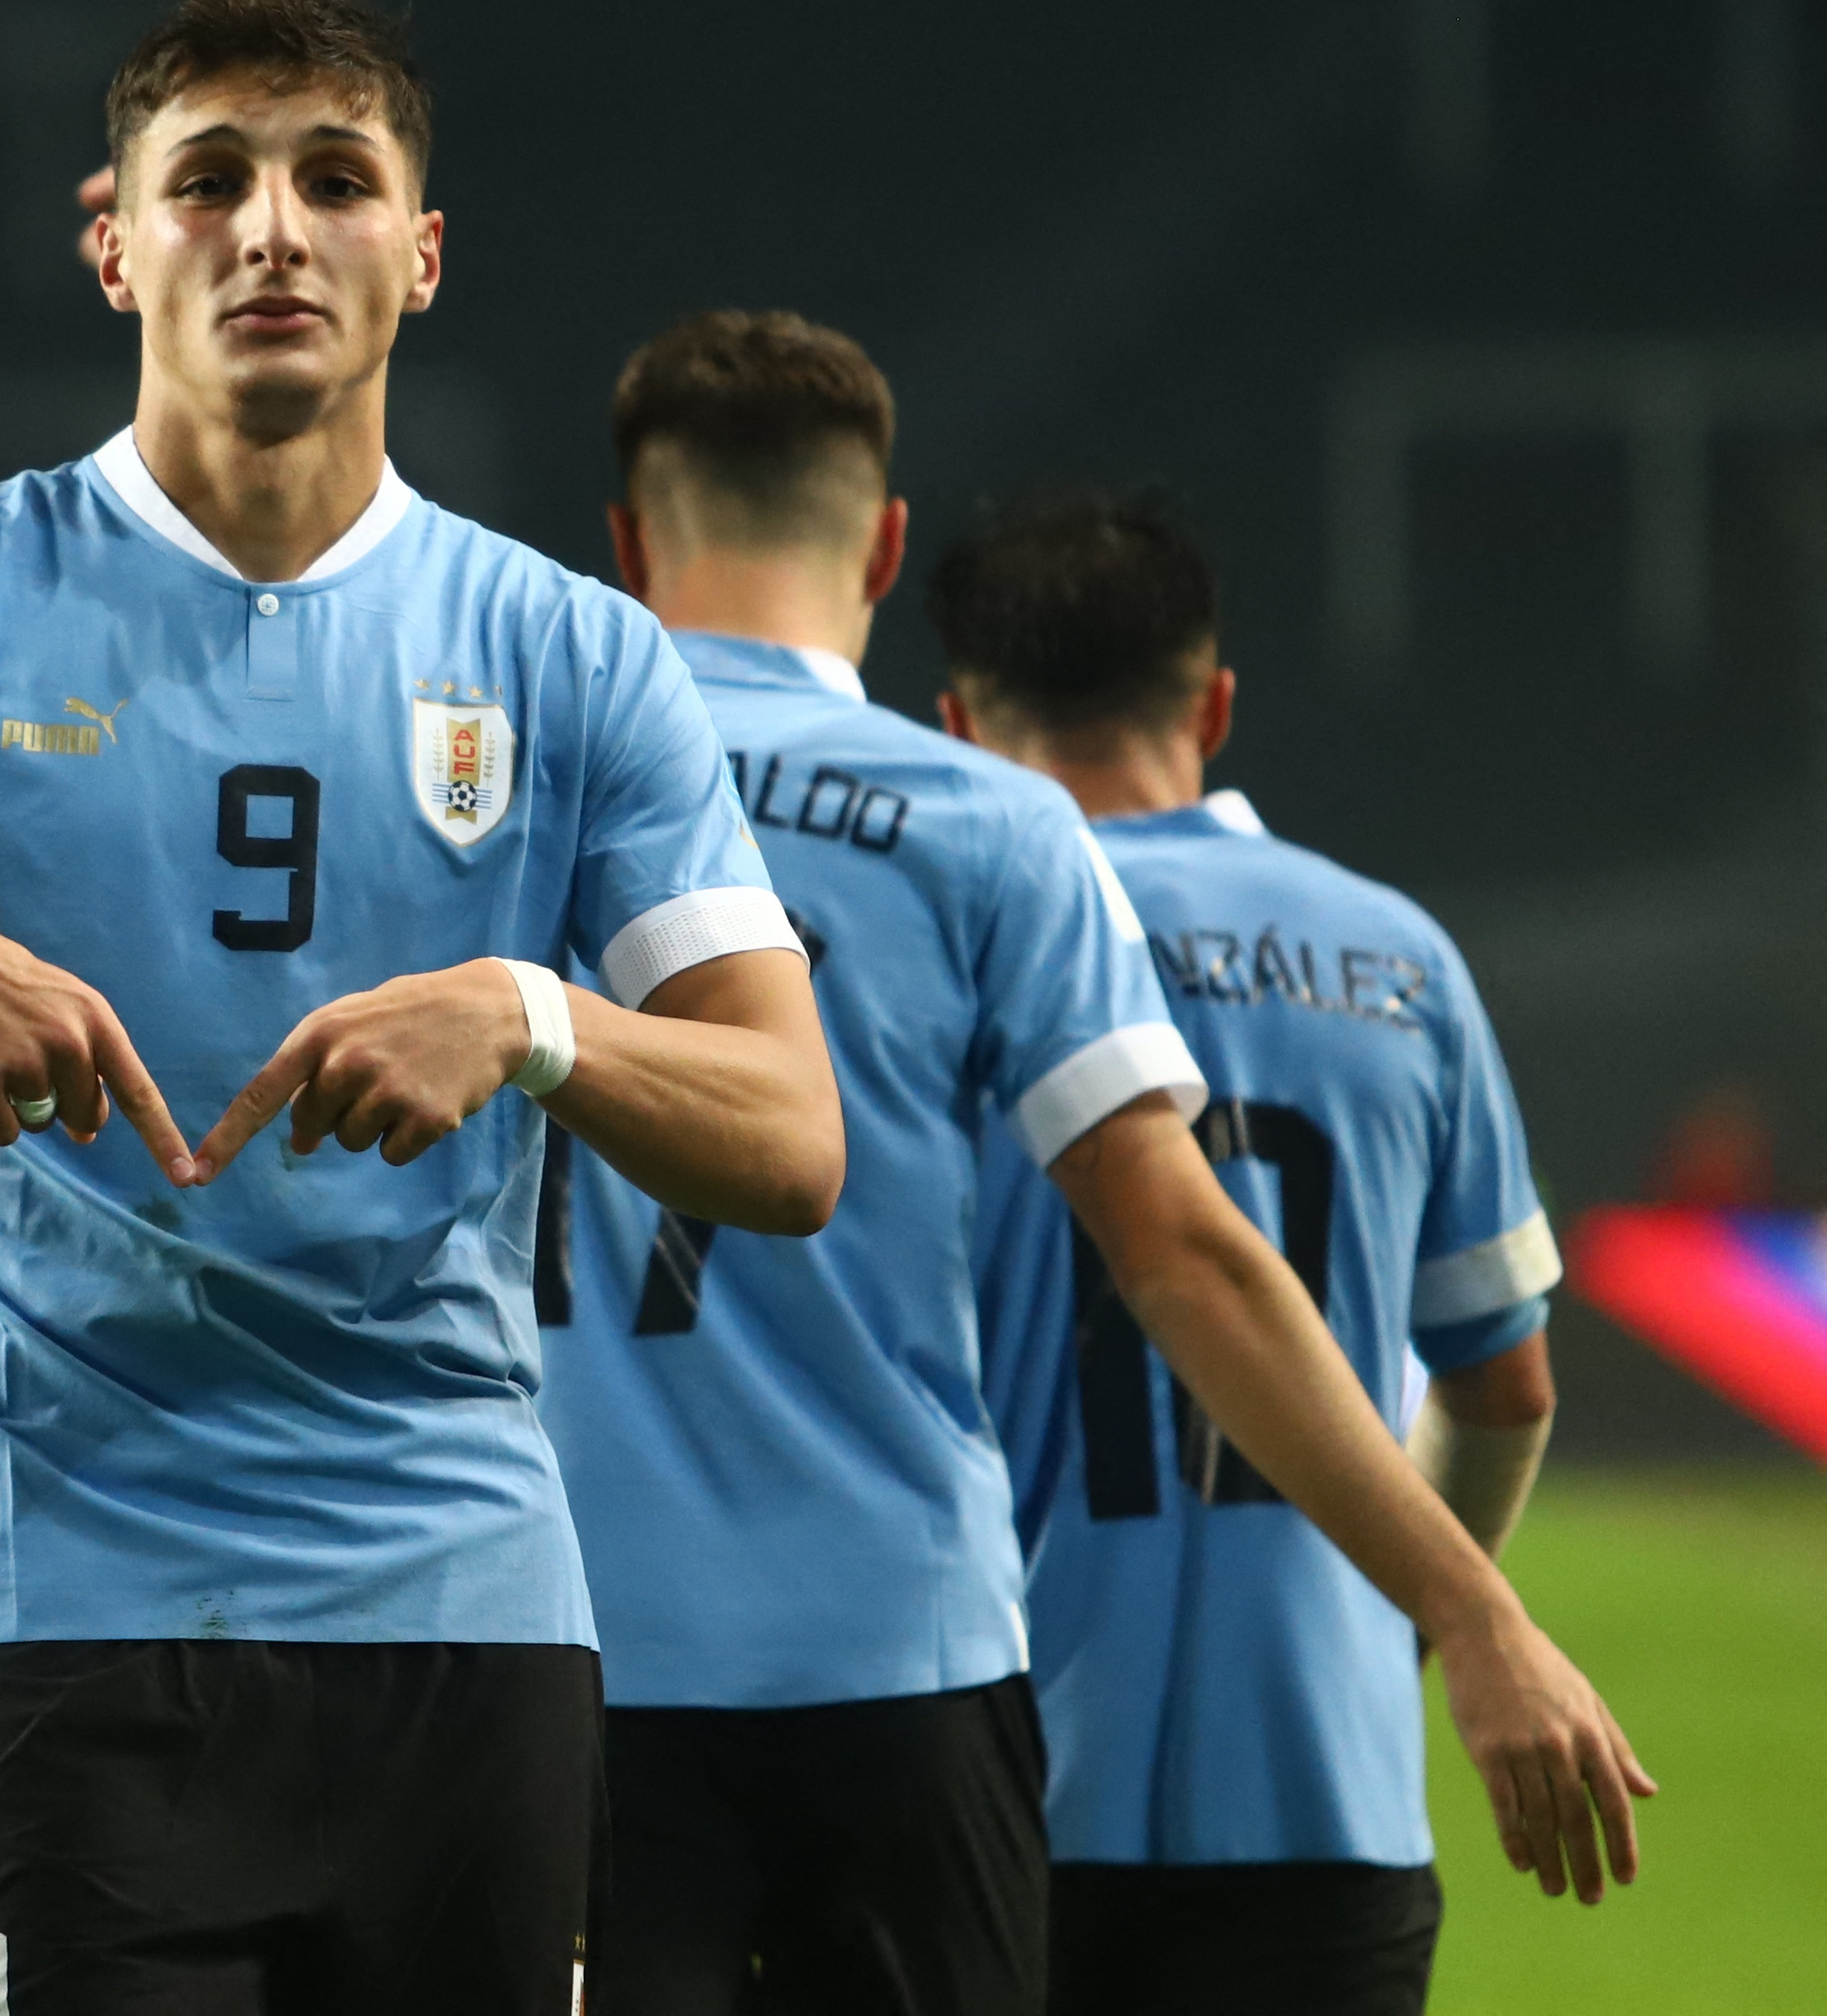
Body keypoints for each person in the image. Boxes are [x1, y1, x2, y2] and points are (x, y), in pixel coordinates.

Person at [0, 0, 845, 2016]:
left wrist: (531, 1019)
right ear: (117, 241)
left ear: (419, 256)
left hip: (458, 1626)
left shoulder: (572, 654)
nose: (273, 228)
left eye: (335, 180)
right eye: (212, 180)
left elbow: (790, 1135)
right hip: (47, 1623)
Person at [537, 313, 1646, 2016]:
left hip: (570, 1661)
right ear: (886, 541)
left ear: (623, 543)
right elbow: (1189, 1256)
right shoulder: (995, 830)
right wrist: (1467, 1609)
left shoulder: (503, 787)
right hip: (907, 1675)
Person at [942, 487, 1580, 2016]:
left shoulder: (945, 953)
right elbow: (1504, 1391)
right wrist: (1407, 1602)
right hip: (1322, 1790)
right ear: (1214, 703)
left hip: (985, 1780)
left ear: (957, 725)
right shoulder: (1397, 960)